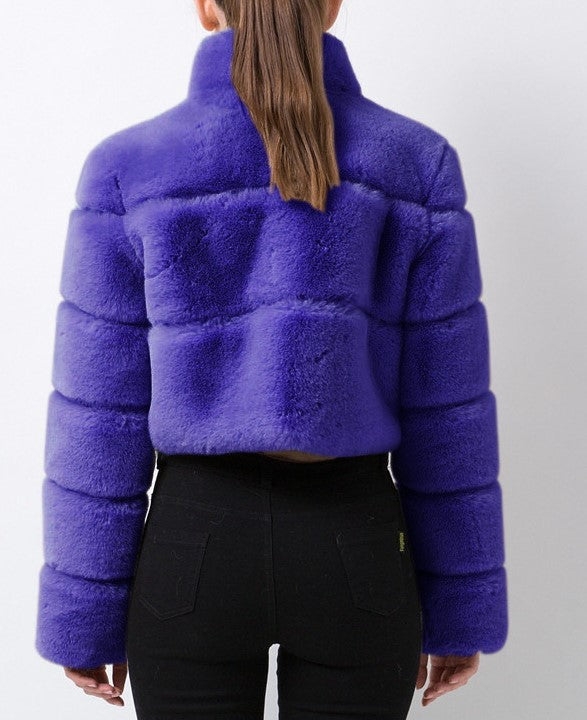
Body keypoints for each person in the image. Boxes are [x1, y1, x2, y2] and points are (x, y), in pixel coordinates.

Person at [34, 0, 508, 716]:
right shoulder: (415, 163)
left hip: (193, 553)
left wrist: (84, 614)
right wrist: (459, 608)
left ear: (205, 7)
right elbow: (447, 417)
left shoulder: (128, 169)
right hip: (356, 550)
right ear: (333, 5)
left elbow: (98, 418)